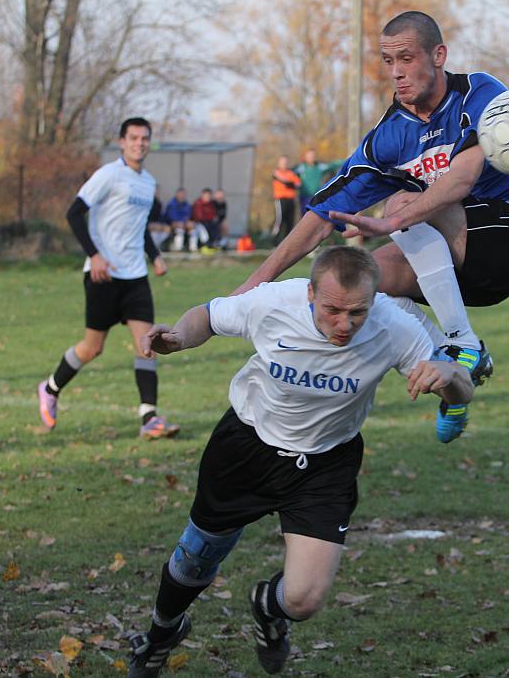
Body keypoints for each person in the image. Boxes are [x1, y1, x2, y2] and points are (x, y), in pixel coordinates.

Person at [124, 246, 474, 677]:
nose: (344, 324)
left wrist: (451, 378)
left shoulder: (395, 326)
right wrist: (179, 336)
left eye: (357, 313)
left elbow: (463, 391)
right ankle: (162, 635)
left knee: (304, 600)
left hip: (326, 464)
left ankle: (267, 608)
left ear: (374, 299)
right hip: (247, 447)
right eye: (332, 310)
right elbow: (209, 316)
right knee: (196, 557)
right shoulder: (275, 303)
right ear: (310, 293)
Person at [234, 11, 509, 443]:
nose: (397, 72)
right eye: (388, 61)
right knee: (369, 283)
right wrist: (255, 283)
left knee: (406, 200)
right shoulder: (388, 138)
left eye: (406, 58)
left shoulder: (480, 93)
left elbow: (460, 179)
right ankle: (455, 368)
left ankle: (460, 340)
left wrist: (392, 219)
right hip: (467, 263)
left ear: (438, 55)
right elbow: (320, 217)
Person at [36, 117, 179, 439]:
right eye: (133, 138)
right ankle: (49, 388)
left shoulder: (148, 182)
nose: (139, 143)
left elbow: (139, 227)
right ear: (122, 142)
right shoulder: (108, 175)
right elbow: (73, 213)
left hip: (135, 277)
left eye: (145, 138)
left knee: (147, 345)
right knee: (92, 348)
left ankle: (149, 419)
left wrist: (154, 257)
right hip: (104, 276)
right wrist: (94, 255)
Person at [295, 148, 345, 213]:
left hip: (316, 197)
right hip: (304, 197)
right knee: (304, 215)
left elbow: (332, 165)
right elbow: (290, 174)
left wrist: (345, 160)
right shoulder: (301, 167)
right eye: (309, 156)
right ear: (305, 157)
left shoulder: (319, 166)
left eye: (313, 156)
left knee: (316, 215)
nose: (311, 157)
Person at [271, 156, 301, 244]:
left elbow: (298, 184)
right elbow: (285, 182)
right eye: (282, 162)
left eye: (285, 162)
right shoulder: (276, 172)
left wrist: (291, 184)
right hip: (280, 200)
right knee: (279, 220)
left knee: (290, 221)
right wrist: (290, 184)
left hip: (290, 200)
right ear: (279, 163)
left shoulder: (291, 173)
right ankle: (275, 240)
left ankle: (287, 242)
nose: (284, 164)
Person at [164, 188, 193, 252]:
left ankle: (193, 248)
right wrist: (180, 223)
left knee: (193, 229)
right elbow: (171, 217)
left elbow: (188, 216)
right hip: (172, 224)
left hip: (183, 224)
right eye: (180, 194)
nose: (182, 196)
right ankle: (178, 249)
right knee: (179, 230)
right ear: (177, 194)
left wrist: (185, 223)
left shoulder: (186, 205)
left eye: (183, 194)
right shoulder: (171, 204)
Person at [189, 188, 217, 253]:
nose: (208, 197)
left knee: (214, 226)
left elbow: (212, 215)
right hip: (197, 223)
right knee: (202, 230)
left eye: (209, 195)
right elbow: (198, 217)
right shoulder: (198, 203)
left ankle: (212, 245)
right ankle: (205, 245)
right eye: (206, 195)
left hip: (207, 223)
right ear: (202, 195)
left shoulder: (211, 204)